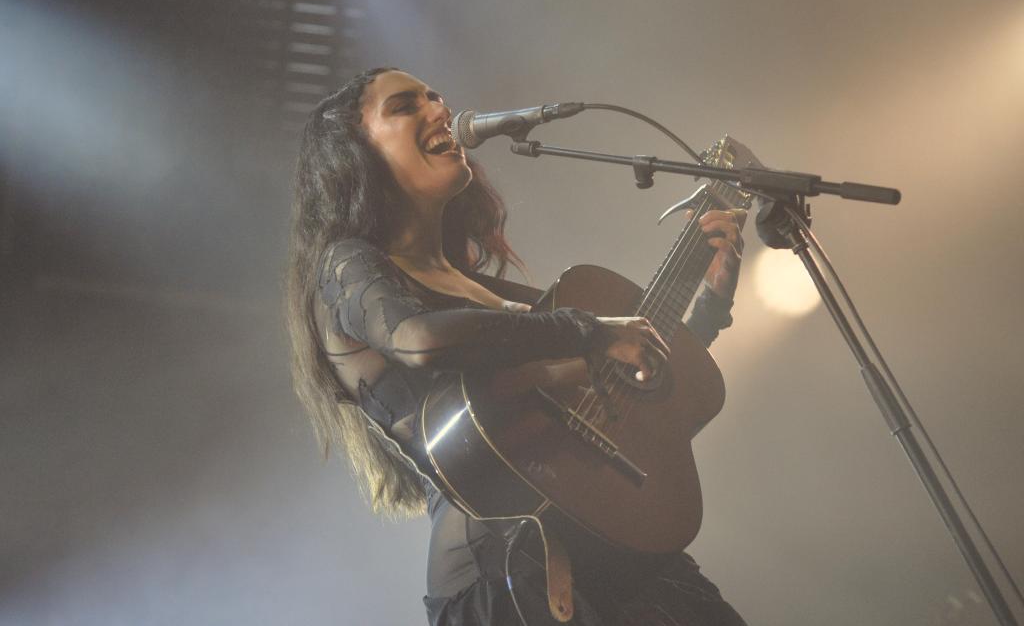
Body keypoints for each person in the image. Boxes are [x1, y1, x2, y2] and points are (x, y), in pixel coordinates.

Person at [286, 66, 748, 625]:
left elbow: (621, 387)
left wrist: (708, 305)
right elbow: (418, 339)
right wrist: (590, 330)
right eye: (405, 106)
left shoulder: (483, 289)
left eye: (436, 96)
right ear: (354, 153)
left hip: (621, 544)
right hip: (513, 570)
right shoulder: (346, 266)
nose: (440, 110)